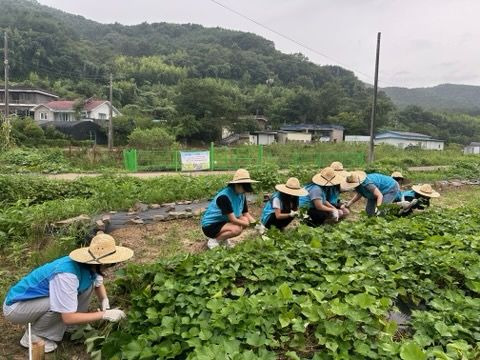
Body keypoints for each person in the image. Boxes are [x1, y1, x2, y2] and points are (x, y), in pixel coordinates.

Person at [3, 233, 133, 353]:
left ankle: (67, 327)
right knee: (59, 303)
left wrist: (104, 300)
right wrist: (104, 314)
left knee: (87, 286)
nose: (109, 266)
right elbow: (68, 316)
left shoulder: (90, 267)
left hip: (35, 302)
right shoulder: (67, 274)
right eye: (108, 264)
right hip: (16, 308)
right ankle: (34, 336)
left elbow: (98, 284)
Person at [201, 168, 257, 249]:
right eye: (244, 188)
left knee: (245, 219)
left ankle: (224, 239)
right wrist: (247, 224)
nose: (245, 191)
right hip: (211, 226)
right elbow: (233, 219)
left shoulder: (241, 195)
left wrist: (257, 224)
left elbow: (245, 213)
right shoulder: (224, 197)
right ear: (237, 185)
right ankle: (214, 240)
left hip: (224, 222)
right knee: (237, 229)